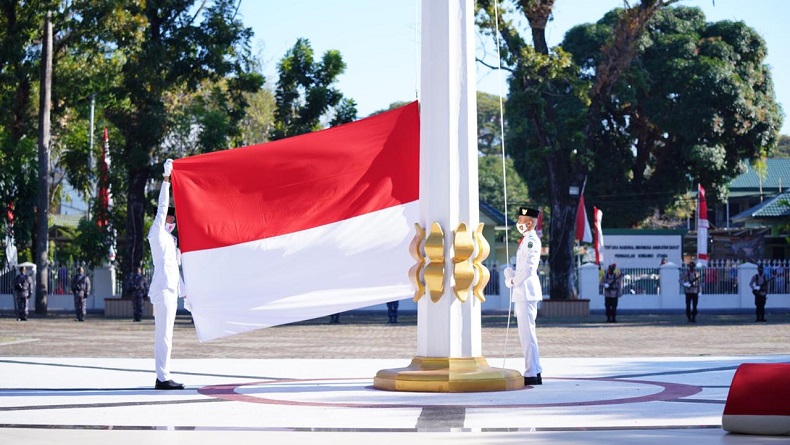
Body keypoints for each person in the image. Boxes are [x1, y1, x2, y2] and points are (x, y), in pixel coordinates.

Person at [147, 159, 186, 390]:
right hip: (162, 290)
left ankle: (164, 375)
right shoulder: (157, 234)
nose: (171, 219)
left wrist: (185, 293)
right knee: (163, 336)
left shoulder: (171, 242)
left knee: (167, 336)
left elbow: (176, 270)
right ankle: (162, 378)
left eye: (173, 217)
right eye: (169, 217)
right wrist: (166, 181)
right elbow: (162, 208)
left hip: (171, 290)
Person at [504, 206, 543, 386]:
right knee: (527, 334)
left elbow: (529, 268)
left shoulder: (531, 241)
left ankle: (531, 372)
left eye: (520, 221)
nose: (518, 224)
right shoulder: (526, 240)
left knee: (527, 335)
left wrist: (512, 281)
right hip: (523, 292)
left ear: (529, 222)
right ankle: (534, 369)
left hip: (525, 291)